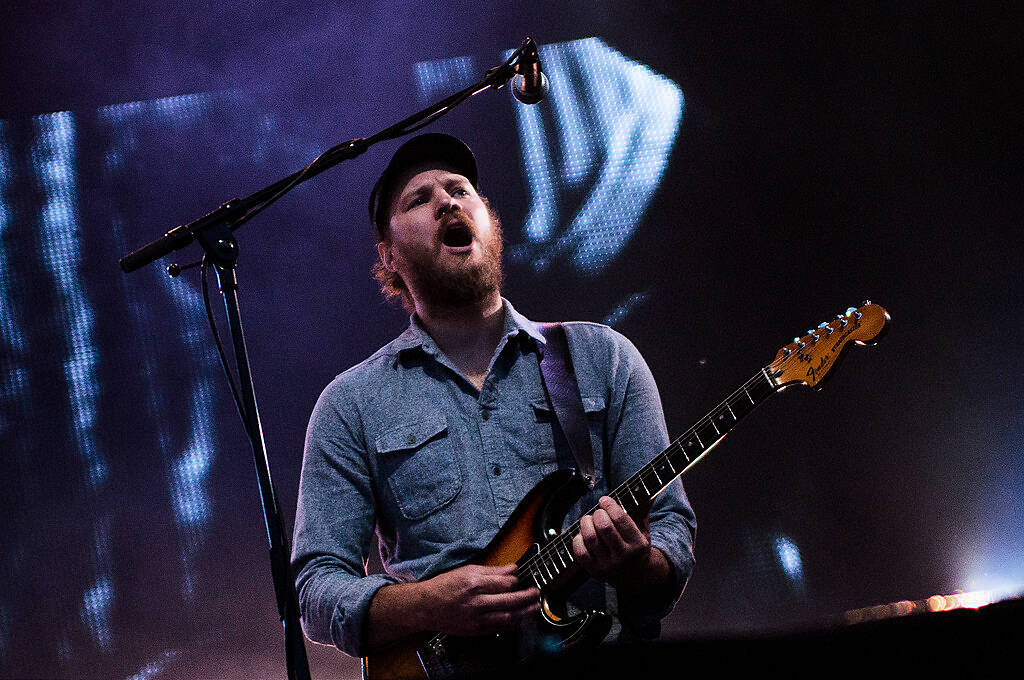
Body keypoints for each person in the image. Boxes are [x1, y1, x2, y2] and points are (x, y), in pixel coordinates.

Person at [290, 133, 696, 661]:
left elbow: (671, 534)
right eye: (420, 199)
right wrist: (428, 604)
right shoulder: (351, 404)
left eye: (461, 190)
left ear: (490, 222)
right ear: (388, 256)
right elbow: (317, 590)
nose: (448, 201)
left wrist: (637, 563)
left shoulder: (603, 358)